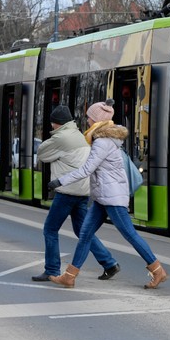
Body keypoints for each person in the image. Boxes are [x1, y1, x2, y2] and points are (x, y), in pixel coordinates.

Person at [48, 99, 168, 289]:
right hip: (102, 197)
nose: (86, 121)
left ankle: (157, 270)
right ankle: (70, 276)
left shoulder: (102, 142)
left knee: (130, 234)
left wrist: (60, 181)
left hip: (111, 197)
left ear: (96, 120)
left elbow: (87, 169)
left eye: (89, 117)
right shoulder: (102, 139)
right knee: (85, 234)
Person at [31, 105, 121, 282]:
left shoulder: (61, 137)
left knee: (50, 229)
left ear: (56, 123)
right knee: (83, 230)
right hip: (83, 190)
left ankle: (51, 270)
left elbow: (41, 153)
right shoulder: (79, 134)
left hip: (68, 190)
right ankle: (109, 263)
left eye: (52, 124)